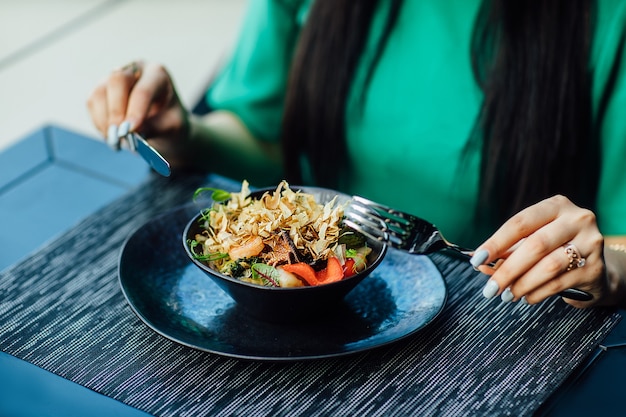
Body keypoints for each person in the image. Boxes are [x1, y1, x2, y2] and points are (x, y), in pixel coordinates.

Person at [87, 0, 626, 309]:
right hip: (302, 316)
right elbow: (263, 136)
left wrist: (601, 266)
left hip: (484, 331)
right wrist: (187, 136)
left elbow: (614, 246)